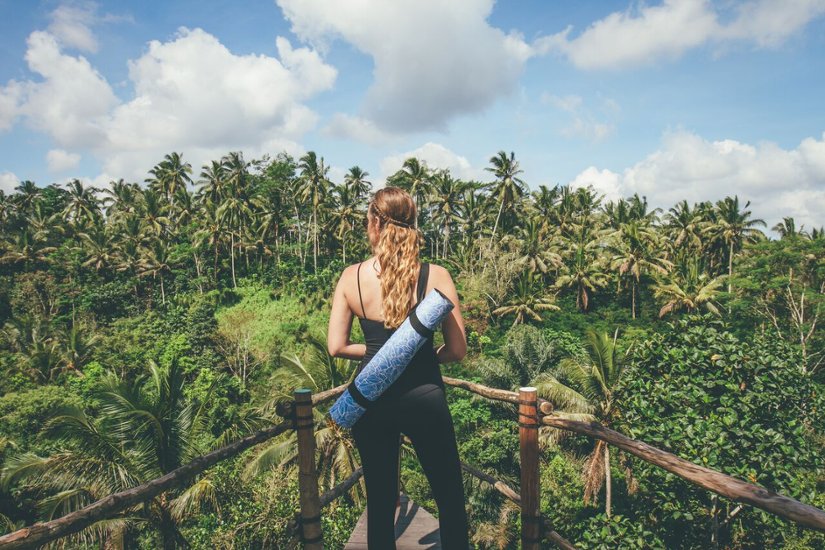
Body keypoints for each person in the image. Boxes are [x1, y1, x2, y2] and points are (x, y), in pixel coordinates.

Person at [327, 186, 470, 549]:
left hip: (371, 399)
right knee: (450, 498)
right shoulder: (436, 276)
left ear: (374, 222)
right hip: (424, 395)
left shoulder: (351, 277)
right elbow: (457, 350)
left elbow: (336, 346)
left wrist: (382, 354)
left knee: (379, 503)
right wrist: (416, 354)